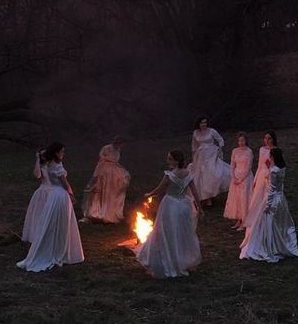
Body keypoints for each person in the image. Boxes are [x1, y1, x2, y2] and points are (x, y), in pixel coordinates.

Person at [17, 142, 84, 272]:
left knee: (52, 222)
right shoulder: (57, 166)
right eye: (61, 152)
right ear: (56, 153)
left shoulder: (48, 165)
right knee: (61, 223)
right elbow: (65, 183)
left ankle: (53, 248)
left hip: (54, 195)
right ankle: (60, 250)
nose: (63, 154)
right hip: (60, 195)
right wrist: (71, 194)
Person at [135, 150, 203, 278]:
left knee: (166, 232)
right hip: (183, 205)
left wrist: (149, 194)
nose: (168, 161)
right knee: (182, 232)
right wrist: (199, 207)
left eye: (170, 159)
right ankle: (182, 258)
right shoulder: (188, 174)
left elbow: (159, 189)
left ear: (177, 161)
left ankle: (169, 258)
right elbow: (194, 192)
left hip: (170, 205)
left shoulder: (169, 175)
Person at [240, 146, 298, 262]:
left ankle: (269, 245)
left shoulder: (273, 171)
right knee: (280, 221)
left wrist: (268, 205)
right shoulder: (281, 168)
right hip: (281, 198)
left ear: (273, 157)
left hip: (272, 200)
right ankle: (281, 240)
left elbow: (271, 190)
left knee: (267, 222)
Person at [80, 136, 131, 224]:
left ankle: (109, 211)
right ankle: (97, 212)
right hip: (104, 170)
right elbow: (101, 157)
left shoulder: (118, 150)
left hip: (113, 172)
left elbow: (115, 160)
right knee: (100, 191)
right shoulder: (106, 148)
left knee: (112, 191)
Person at [191, 115, 230, 205]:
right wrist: (194, 159)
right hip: (200, 156)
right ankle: (204, 197)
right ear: (198, 124)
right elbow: (194, 146)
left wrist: (220, 150)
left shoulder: (211, 131)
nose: (203, 124)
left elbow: (220, 140)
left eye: (205, 122)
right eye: (202, 123)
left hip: (211, 154)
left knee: (212, 174)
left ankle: (211, 195)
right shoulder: (195, 133)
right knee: (201, 176)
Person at [244, 131, 278, 227]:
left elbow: (279, 166)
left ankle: (267, 219)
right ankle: (256, 218)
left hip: (271, 175)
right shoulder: (262, 149)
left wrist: (271, 167)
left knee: (267, 197)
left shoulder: (276, 150)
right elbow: (259, 165)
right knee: (258, 197)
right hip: (261, 176)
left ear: (273, 139)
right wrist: (255, 180)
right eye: (265, 138)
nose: (267, 141)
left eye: (269, 138)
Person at [223, 132, 254, 230]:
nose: (241, 143)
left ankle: (244, 221)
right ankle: (238, 220)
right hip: (236, 176)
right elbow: (232, 165)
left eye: (243, 141)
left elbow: (249, 167)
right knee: (236, 199)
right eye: (240, 141)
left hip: (245, 178)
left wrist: (241, 178)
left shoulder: (249, 152)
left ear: (246, 141)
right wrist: (234, 177)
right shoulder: (235, 151)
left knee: (243, 198)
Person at [20, 150, 49, 242]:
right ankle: (38, 235)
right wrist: (37, 159)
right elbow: (37, 175)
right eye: (43, 155)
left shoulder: (54, 165)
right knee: (40, 213)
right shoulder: (41, 166)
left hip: (54, 191)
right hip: (44, 192)